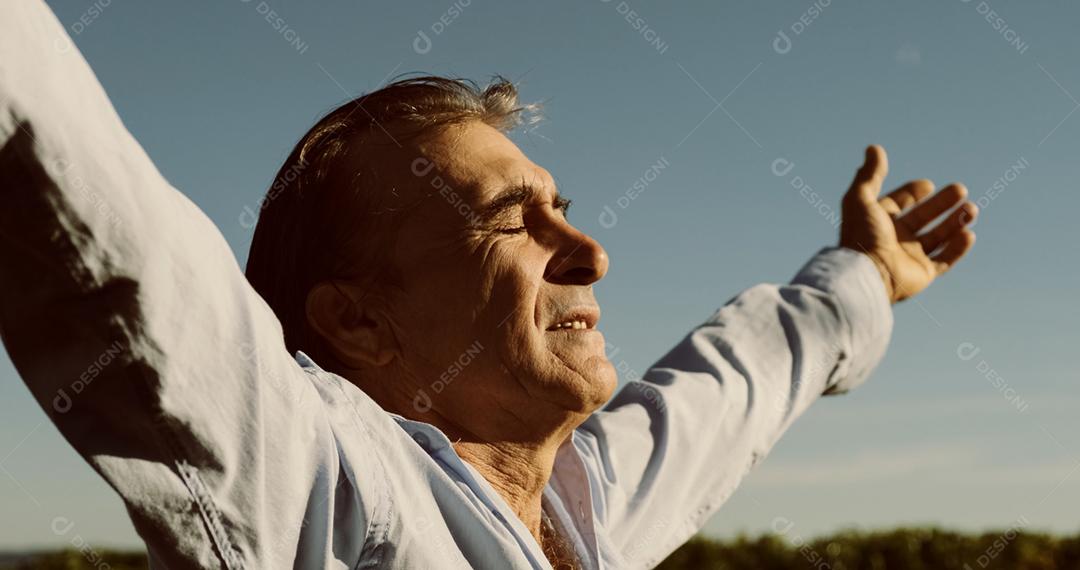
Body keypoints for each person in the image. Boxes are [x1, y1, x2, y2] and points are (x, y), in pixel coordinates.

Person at [0, 2, 976, 569]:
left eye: (565, 207)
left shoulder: (588, 502)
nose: (589, 250)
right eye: (512, 218)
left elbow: (734, 382)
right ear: (358, 320)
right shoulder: (325, 492)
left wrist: (863, 275)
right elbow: (114, 246)